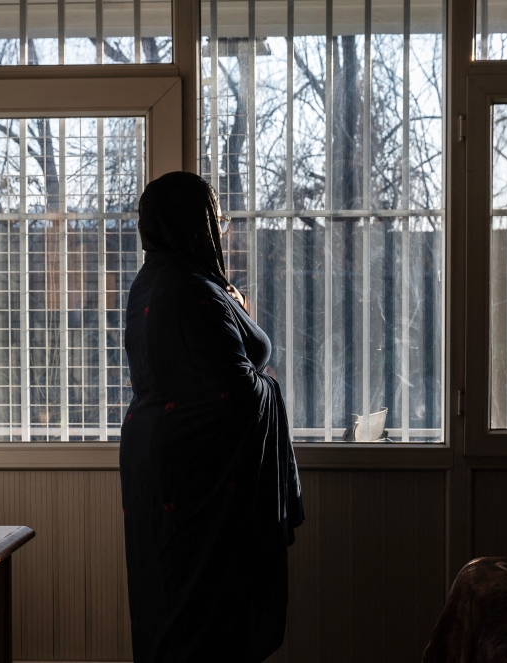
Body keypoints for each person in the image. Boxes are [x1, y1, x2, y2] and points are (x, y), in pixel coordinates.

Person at [120, 171, 304, 662]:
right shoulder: (186, 287)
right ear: (190, 223)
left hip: (167, 470)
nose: (220, 227)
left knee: (174, 604)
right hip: (196, 482)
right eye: (214, 218)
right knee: (202, 616)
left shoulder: (160, 280)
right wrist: (268, 383)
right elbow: (236, 395)